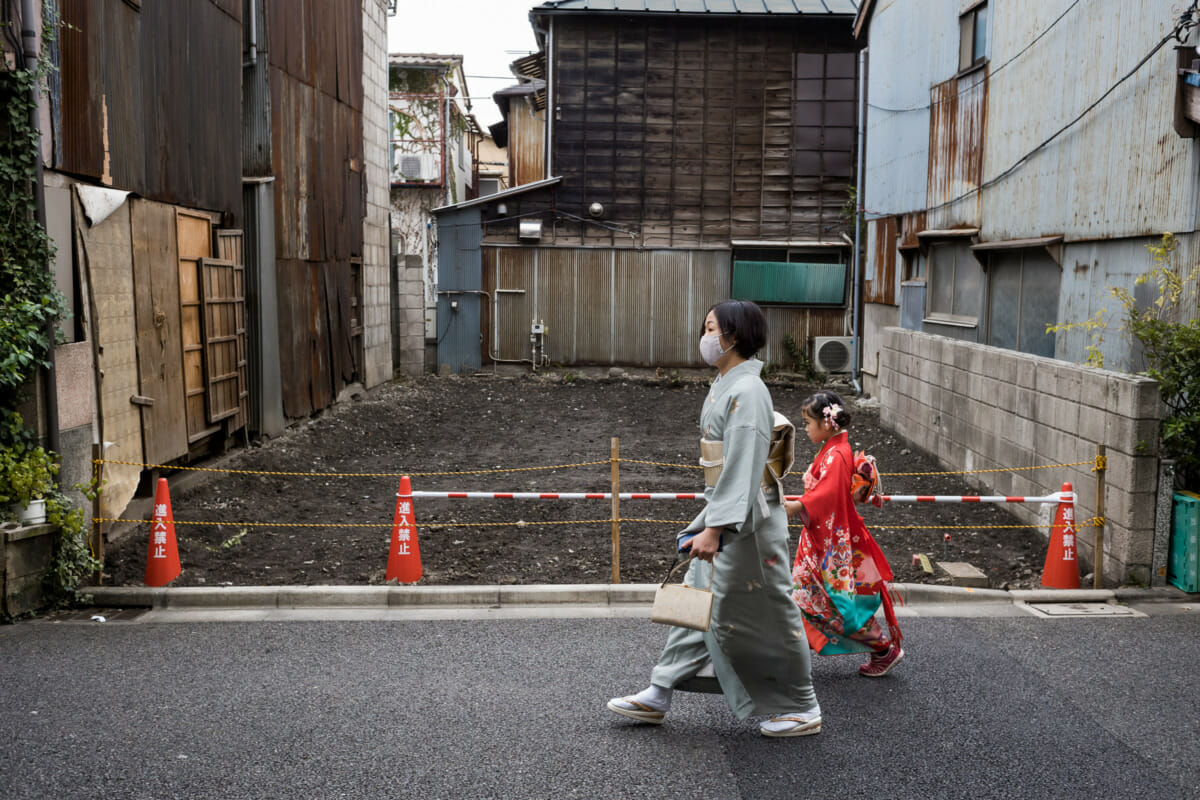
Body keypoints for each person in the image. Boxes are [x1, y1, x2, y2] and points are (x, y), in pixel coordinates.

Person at [607, 300, 822, 738]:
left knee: (770, 611)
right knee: (700, 600)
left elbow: (743, 465)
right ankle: (660, 688)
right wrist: (710, 519)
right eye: (705, 328)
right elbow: (731, 471)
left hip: (751, 523)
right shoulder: (728, 383)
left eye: (712, 329)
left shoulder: (748, 391)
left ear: (734, 336)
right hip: (732, 505)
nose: (706, 338)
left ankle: (803, 705)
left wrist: (716, 527)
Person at [785, 390, 904, 677]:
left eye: (807, 423)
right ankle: (791, 655)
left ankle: (883, 649)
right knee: (807, 599)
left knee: (832, 608)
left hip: (829, 544)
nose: (805, 429)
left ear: (826, 424)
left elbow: (827, 495)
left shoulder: (836, 455)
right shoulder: (834, 448)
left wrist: (797, 505)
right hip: (822, 539)